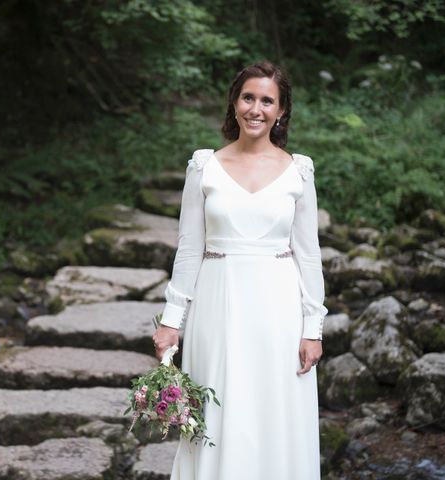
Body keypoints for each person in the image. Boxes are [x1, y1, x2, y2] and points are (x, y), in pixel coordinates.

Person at [152, 61, 328, 480]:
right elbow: (189, 249)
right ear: (234, 104)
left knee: (274, 412)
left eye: (268, 100)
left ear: (281, 111)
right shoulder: (204, 167)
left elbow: (308, 255)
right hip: (218, 304)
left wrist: (312, 327)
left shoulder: (297, 171)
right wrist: (172, 322)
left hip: (278, 310)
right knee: (219, 409)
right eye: (248, 97)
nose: (256, 108)